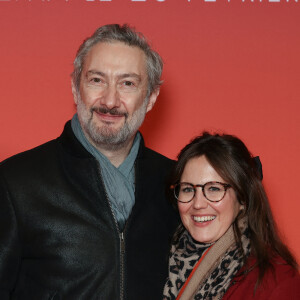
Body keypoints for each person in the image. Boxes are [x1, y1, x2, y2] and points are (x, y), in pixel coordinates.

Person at [0, 24, 179, 299]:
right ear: (75, 88)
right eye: (97, 80)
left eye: (127, 83)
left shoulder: (178, 185)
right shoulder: (15, 183)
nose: (110, 100)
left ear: (151, 97)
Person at [163, 132, 300, 299]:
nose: (198, 204)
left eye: (214, 189)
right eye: (188, 189)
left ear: (242, 198)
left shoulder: (277, 283)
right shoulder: (160, 263)